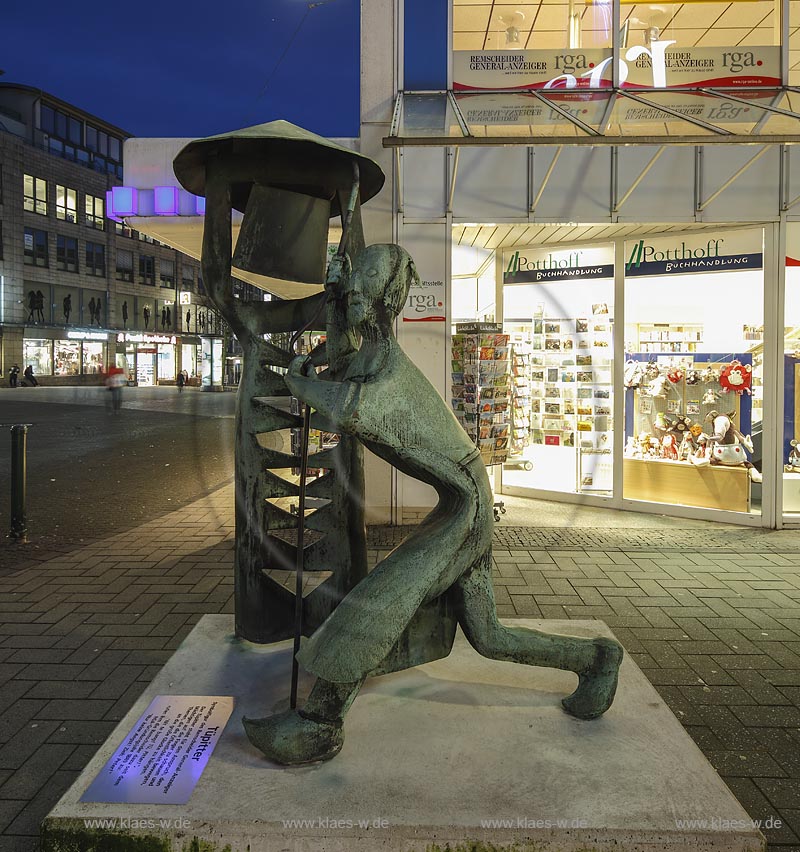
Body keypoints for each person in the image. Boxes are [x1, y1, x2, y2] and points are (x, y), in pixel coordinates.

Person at [242, 245, 622, 765]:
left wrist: (297, 383)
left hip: (465, 508)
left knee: (378, 599)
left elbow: (351, 408)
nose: (353, 303)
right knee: (488, 637)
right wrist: (332, 297)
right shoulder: (371, 356)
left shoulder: (389, 374)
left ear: (383, 301)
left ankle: (319, 724)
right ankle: (596, 660)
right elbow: (344, 352)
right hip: (464, 502)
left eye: (359, 296)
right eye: (351, 295)